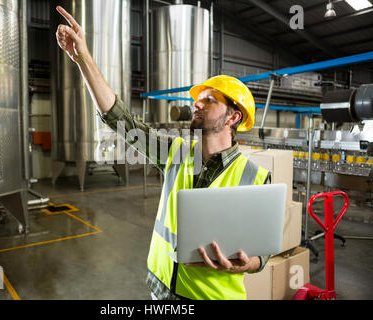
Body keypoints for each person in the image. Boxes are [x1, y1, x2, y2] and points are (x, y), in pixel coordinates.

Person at [55, 6, 271, 300]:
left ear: (233, 118)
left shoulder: (255, 177)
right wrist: (82, 58)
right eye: (198, 99)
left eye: (209, 101)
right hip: (161, 289)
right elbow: (120, 118)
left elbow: (264, 251)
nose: (197, 104)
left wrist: (249, 263)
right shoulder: (176, 152)